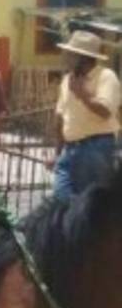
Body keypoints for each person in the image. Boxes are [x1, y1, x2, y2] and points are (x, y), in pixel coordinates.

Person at [51, 30, 119, 200]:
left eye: (70, 54)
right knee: (62, 199)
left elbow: (105, 111)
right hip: (69, 149)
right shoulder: (67, 80)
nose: (66, 57)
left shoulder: (106, 77)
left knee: (89, 205)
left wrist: (82, 94)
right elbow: (61, 116)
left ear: (84, 57)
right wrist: (57, 153)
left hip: (95, 148)